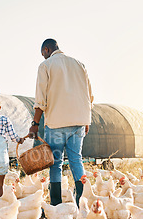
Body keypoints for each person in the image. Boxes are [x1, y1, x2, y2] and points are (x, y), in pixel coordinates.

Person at [28, 39, 94, 206]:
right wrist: (86, 120)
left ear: (47, 49)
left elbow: (41, 99)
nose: (43, 57)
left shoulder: (46, 66)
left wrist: (35, 123)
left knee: (56, 163)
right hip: (79, 122)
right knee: (76, 160)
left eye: (43, 53)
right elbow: (89, 96)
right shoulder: (80, 64)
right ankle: (82, 202)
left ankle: (56, 205)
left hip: (56, 124)